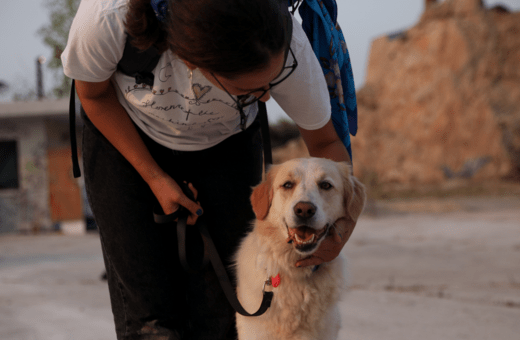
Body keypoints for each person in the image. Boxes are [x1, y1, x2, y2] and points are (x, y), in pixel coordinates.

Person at [61, 0, 357, 338]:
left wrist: (341, 229)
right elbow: (94, 96)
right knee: (149, 316)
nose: (265, 99)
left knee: (222, 308)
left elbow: (327, 146)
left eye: (271, 83)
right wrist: (156, 178)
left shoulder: (288, 46)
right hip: (125, 138)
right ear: (192, 62)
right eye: (249, 91)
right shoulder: (106, 19)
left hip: (227, 145)